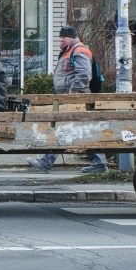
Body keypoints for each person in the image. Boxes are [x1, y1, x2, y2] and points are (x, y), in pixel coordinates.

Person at [27, 25, 108, 173]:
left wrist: (72, 92)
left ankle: (46, 162)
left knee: (64, 129)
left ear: (71, 37)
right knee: (79, 129)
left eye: (63, 37)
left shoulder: (79, 50)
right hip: (70, 99)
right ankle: (99, 162)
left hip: (76, 99)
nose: (61, 40)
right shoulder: (69, 51)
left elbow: (84, 75)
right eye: (60, 37)